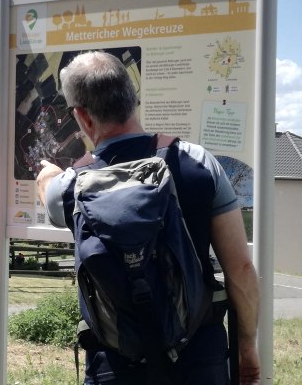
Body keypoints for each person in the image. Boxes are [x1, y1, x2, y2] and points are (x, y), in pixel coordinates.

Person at [37, 51, 261, 385]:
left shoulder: (70, 186)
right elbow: (240, 269)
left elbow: (48, 192)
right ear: (133, 100)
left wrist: (48, 176)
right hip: (198, 357)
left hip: (114, 364)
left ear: (83, 117)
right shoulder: (197, 163)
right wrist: (246, 346)